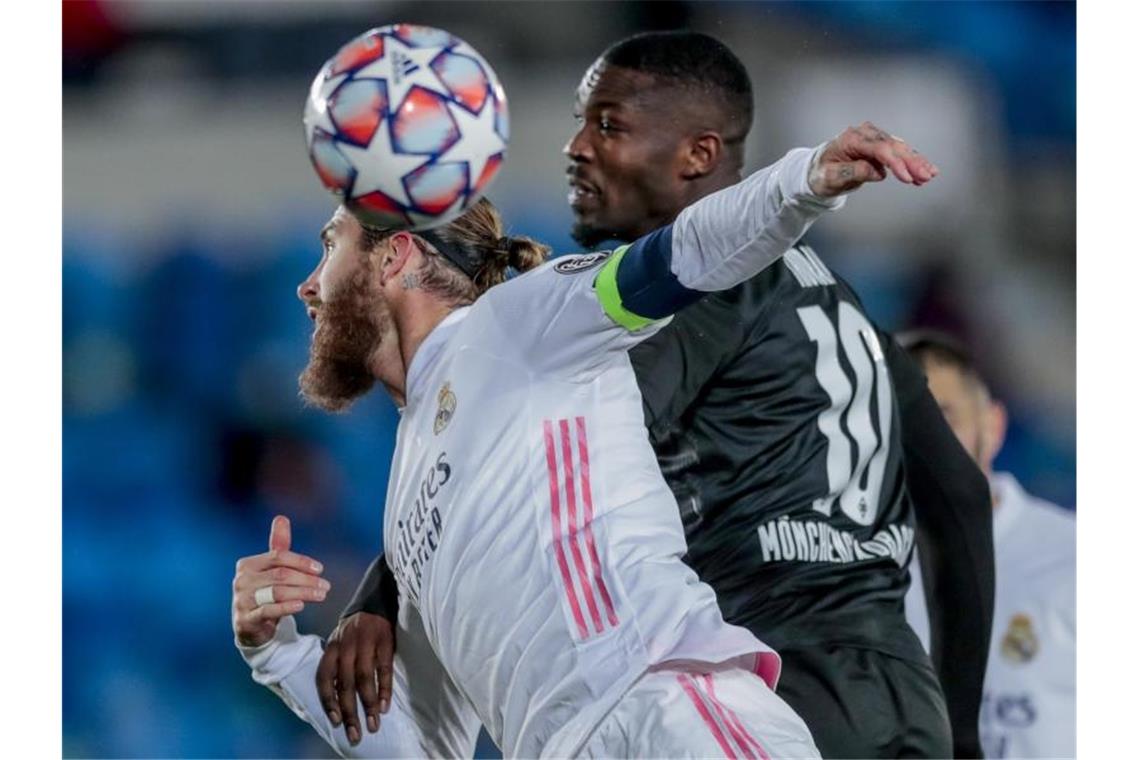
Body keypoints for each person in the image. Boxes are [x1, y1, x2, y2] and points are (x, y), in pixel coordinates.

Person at [324, 31, 992, 758]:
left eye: (608, 125)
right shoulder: (843, 305)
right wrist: (960, 729)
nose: (576, 147)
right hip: (898, 689)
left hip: (769, 681)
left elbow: (517, 434)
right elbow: (957, 498)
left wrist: (386, 591)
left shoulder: (695, 303)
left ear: (697, 156)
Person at [900, 331, 1075, 759]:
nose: (923, 441)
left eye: (943, 416)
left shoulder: (1077, 557)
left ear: (992, 426)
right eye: (900, 419)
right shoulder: (850, 570)